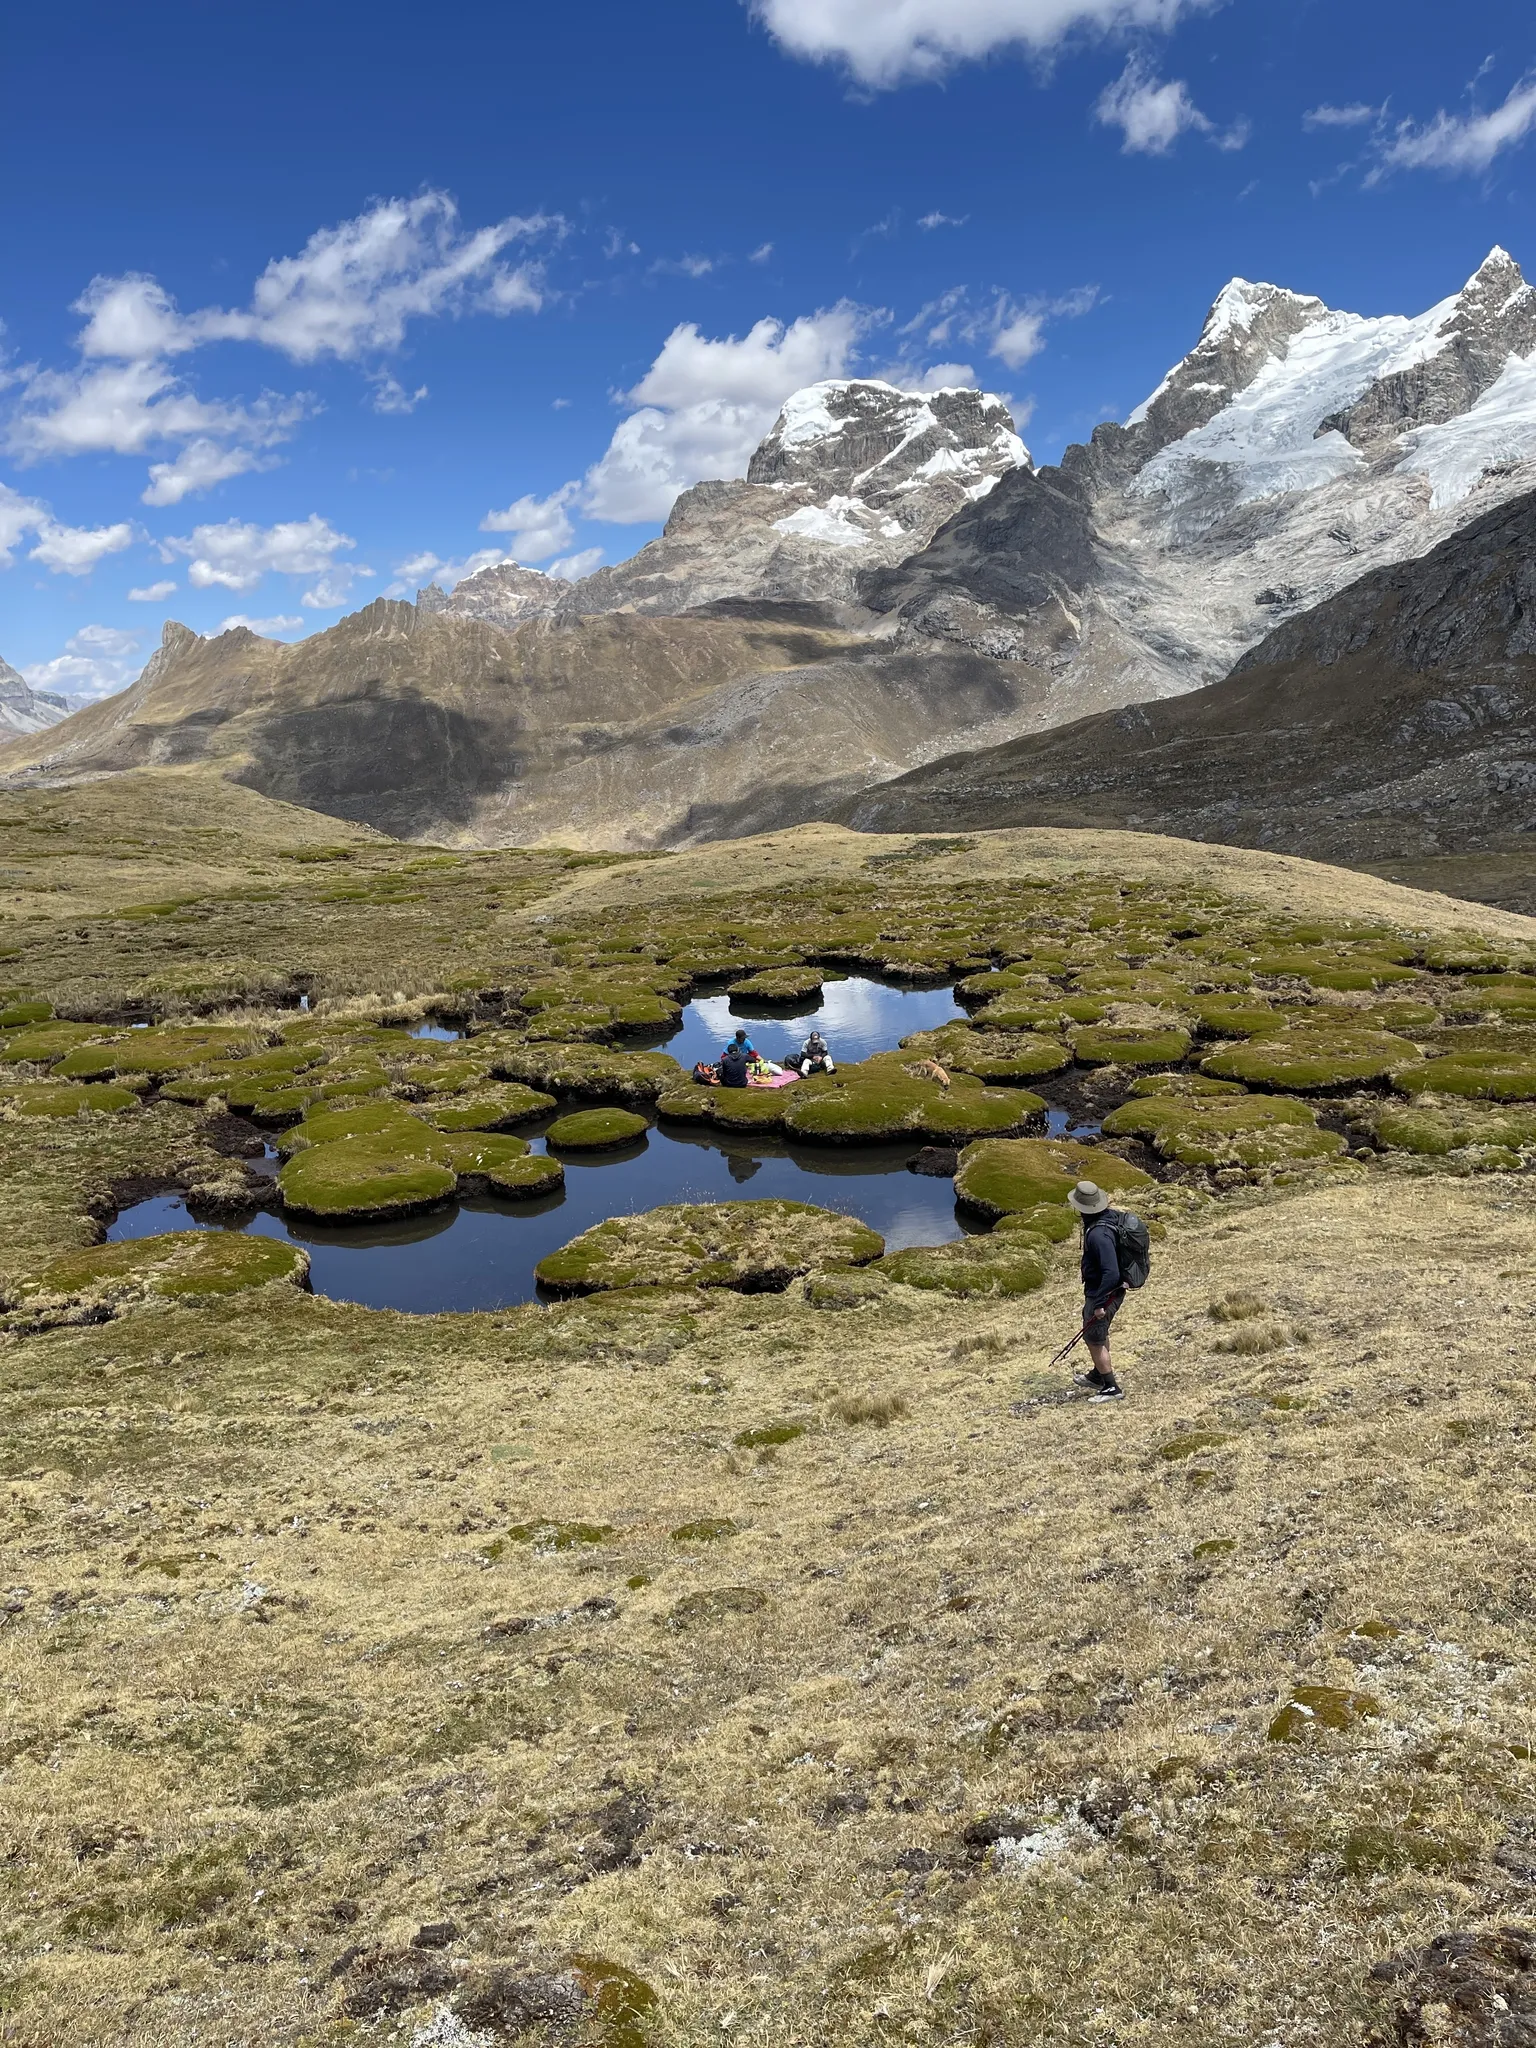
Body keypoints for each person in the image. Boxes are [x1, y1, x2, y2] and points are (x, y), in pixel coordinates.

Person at [1067, 1180, 1126, 1402]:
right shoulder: (1108, 1219)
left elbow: (1111, 1272)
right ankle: (1098, 1375)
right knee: (1099, 1334)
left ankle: (1111, 1387)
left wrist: (1100, 1303)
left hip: (1104, 1292)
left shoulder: (1098, 1235)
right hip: (1109, 1290)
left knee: (1093, 1338)